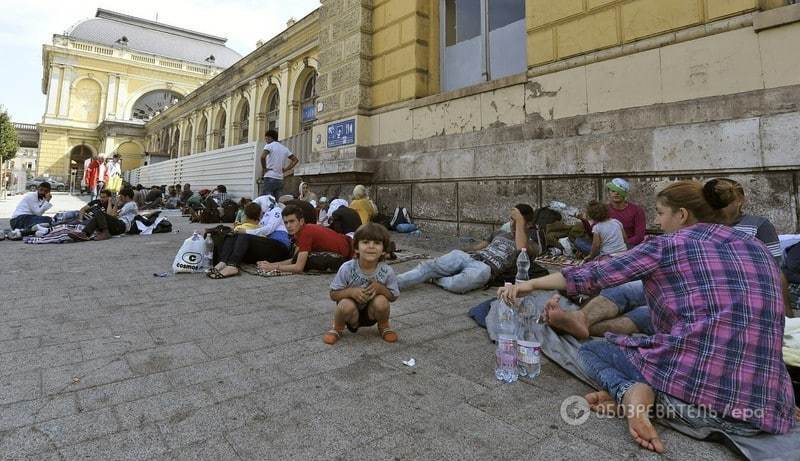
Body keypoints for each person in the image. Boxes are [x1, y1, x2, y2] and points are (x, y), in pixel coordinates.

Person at [499, 180, 796, 453]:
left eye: (660, 212)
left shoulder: (667, 245)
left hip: (705, 398)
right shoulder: (756, 247)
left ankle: (630, 392)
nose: (657, 220)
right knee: (647, 312)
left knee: (593, 350)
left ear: (682, 215)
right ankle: (592, 329)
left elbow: (594, 273)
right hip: (767, 405)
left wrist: (530, 284)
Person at [397, 204, 541, 294]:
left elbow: (521, 248)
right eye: (511, 219)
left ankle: (434, 278)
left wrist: (520, 221)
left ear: (528, 224)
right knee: (428, 266)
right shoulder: (500, 233)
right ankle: (392, 284)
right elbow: (477, 247)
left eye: (517, 220)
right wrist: (457, 254)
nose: (513, 224)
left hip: (485, 269)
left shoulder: (532, 244)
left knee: (458, 284)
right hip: (471, 257)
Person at [323, 223, 400, 345]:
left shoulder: (387, 271)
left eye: (377, 243)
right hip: (350, 313)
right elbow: (333, 294)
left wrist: (381, 289)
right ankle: (337, 328)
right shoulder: (347, 268)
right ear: (356, 248)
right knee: (344, 304)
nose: (371, 246)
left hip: (371, 313)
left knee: (382, 301)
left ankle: (384, 326)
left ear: (384, 251)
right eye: (365, 242)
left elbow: (393, 296)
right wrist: (350, 292)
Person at [208, 198, 292, 279]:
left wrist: (246, 231)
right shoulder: (263, 217)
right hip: (267, 247)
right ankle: (223, 262)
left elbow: (268, 229)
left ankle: (232, 265)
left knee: (243, 235)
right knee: (232, 234)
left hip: (280, 247)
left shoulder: (276, 210)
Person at [256, 205, 352, 274]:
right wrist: (271, 264)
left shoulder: (305, 233)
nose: (288, 226)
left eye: (292, 221)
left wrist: (272, 267)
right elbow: (295, 259)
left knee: (308, 260)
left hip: (347, 257)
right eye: (286, 222)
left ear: (301, 221)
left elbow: (298, 267)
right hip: (348, 245)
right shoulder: (302, 231)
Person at [68, 188, 138, 241]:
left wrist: (116, 203)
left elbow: (112, 215)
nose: (120, 198)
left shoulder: (131, 204)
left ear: (127, 196)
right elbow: (112, 216)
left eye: (121, 197)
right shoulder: (126, 205)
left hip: (122, 226)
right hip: (117, 226)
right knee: (97, 217)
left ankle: (105, 233)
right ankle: (85, 234)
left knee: (100, 213)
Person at [260, 129, 299, 198]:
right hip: (280, 178)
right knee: (277, 200)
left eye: (266, 139)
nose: (266, 141)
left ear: (270, 138)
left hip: (270, 176)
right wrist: (286, 169)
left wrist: (264, 168)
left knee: (267, 200)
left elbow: (262, 157)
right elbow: (295, 160)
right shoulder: (284, 148)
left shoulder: (269, 146)